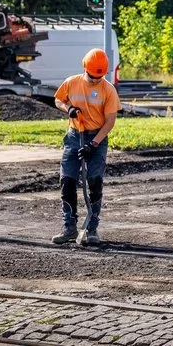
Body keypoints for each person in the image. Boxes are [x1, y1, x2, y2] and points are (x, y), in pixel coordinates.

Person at [51, 49, 121, 245]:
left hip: (97, 138)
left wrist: (94, 143)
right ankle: (69, 227)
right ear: (84, 68)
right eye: (91, 76)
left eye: (98, 77)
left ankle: (92, 229)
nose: (94, 80)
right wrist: (69, 109)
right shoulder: (72, 82)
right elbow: (58, 99)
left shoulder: (108, 90)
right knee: (67, 180)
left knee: (94, 180)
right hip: (75, 136)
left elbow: (110, 121)